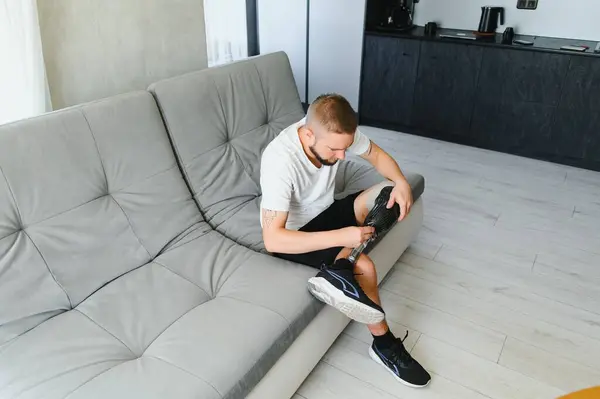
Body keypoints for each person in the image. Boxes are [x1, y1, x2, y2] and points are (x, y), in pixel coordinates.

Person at [259, 93, 431, 388]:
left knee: (389, 193)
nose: (342, 156)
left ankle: (342, 264)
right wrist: (342, 236)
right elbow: (272, 240)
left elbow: (376, 155)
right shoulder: (279, 159)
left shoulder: (334, 130)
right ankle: (384, 345)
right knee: (367, 269)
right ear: (309, 133)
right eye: (335, 150)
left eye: (346, 148)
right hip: (297, 236)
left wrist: (402, 182)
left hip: (327, 212)